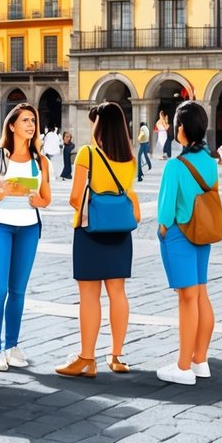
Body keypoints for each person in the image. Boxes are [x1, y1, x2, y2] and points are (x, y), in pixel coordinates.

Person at [57, 102, 141, 378]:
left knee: (89, 296)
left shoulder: (87, 153)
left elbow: (74, 197)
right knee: (118, 293)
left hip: (90, 231)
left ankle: (87, 358)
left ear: (99, 125)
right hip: (120, 232)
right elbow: (127, 192)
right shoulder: (130, 158)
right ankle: (117, 356)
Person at [0, 103, 52, 372]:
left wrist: (37, 200)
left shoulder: (41, 160)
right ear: (12, 125)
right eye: (25, 120)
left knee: (18, 291)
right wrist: (3, 190)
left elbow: (47, 198)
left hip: (29, 228)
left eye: (33, 120)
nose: (31, 125)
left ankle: (12, 345)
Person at [155, 101, 218, 385]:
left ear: (181, 128)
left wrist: (162, 230)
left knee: (187, 298)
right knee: (201, 295)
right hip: (203, 232)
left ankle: (182, 366)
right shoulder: (210, 161)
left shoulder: (175, 165)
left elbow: (166, 211)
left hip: (180, 233)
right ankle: (200, 360)